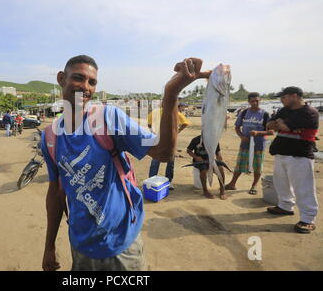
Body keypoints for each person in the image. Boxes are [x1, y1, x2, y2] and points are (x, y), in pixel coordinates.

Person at [41, 55, 211, 271]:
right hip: (80, 247)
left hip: (121, 248)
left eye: (92, 82)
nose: (85, 87)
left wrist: (171, 94)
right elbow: (56, 193)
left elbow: (163, 152)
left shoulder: (108, 118)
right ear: (61, 79)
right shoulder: (50, 138)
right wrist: (49, 245)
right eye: (78, 78)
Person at [266, 86, 319, 234]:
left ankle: (308, 219)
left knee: (303, 188)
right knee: (281, 183)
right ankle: (285, 206)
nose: (282, 100)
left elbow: (284, 126)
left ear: (294, 96)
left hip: (299, 155)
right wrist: (281, 124)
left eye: (283, 97)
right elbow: (270, 125)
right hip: (281, 152)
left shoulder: (309, 113)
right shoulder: (284, 111)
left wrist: (282, 124)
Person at [225, 92, 274, 195]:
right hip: (245, 144)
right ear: (249, 102)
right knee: (240, 165)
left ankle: (254, 186)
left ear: (260, 101)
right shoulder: (244, 113)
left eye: (257, 101)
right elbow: (237, 127)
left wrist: (258, 133)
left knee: (257, 166)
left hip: (259, 145)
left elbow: (271, 132)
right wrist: (242, 136)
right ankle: (232, 184)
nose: (255, 103)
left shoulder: (265, 114)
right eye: (252, 101)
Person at [147, 102, 191, 190]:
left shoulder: (155, 112)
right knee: (170, 161)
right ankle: (169, 182)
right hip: (170, 140)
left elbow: (149, 124)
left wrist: (154, 132)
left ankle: (151, 180)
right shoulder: (174, 112)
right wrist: (177, 131)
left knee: (156, 160)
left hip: (157, 139)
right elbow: (185, 123)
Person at [186, 135, 225, 199]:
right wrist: (196, 157)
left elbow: (217, 151)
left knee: (220, 168)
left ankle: (222, 189)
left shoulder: (214, 140)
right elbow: (188, 150)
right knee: (203, 169)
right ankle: (205, 191)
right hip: (199, 161)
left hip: (211, 160)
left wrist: (219, 156)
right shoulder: (196, 139)